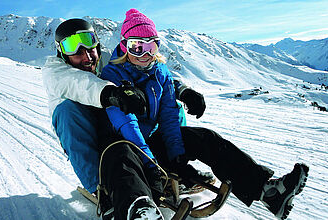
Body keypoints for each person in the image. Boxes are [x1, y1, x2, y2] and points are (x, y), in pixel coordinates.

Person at [99, 9, 309, 220]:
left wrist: (176, 156)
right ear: (125, 47)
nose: (145, 55)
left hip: (153, 142)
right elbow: (126, 124)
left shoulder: (160, 71)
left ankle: (268, 191)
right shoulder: (112, 75)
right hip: (128, 147)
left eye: (151, 46)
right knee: (124, 155)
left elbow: (169, 115)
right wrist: (150, 165)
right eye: (137, 47)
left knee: (204, 138)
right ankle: (140, 209)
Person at [41, 18, 207, 216]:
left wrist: (182, 91)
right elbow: (79, 83)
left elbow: (149, 73)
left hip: (116, 125)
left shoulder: (107, 59)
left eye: (89, 42)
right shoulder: (55, 71)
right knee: (67, 112)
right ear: (62, 52)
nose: (85, 55)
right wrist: (112, 93)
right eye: (73, 48)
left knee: (170, 106)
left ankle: (172, 166)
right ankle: (102, 191)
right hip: (89, 133)